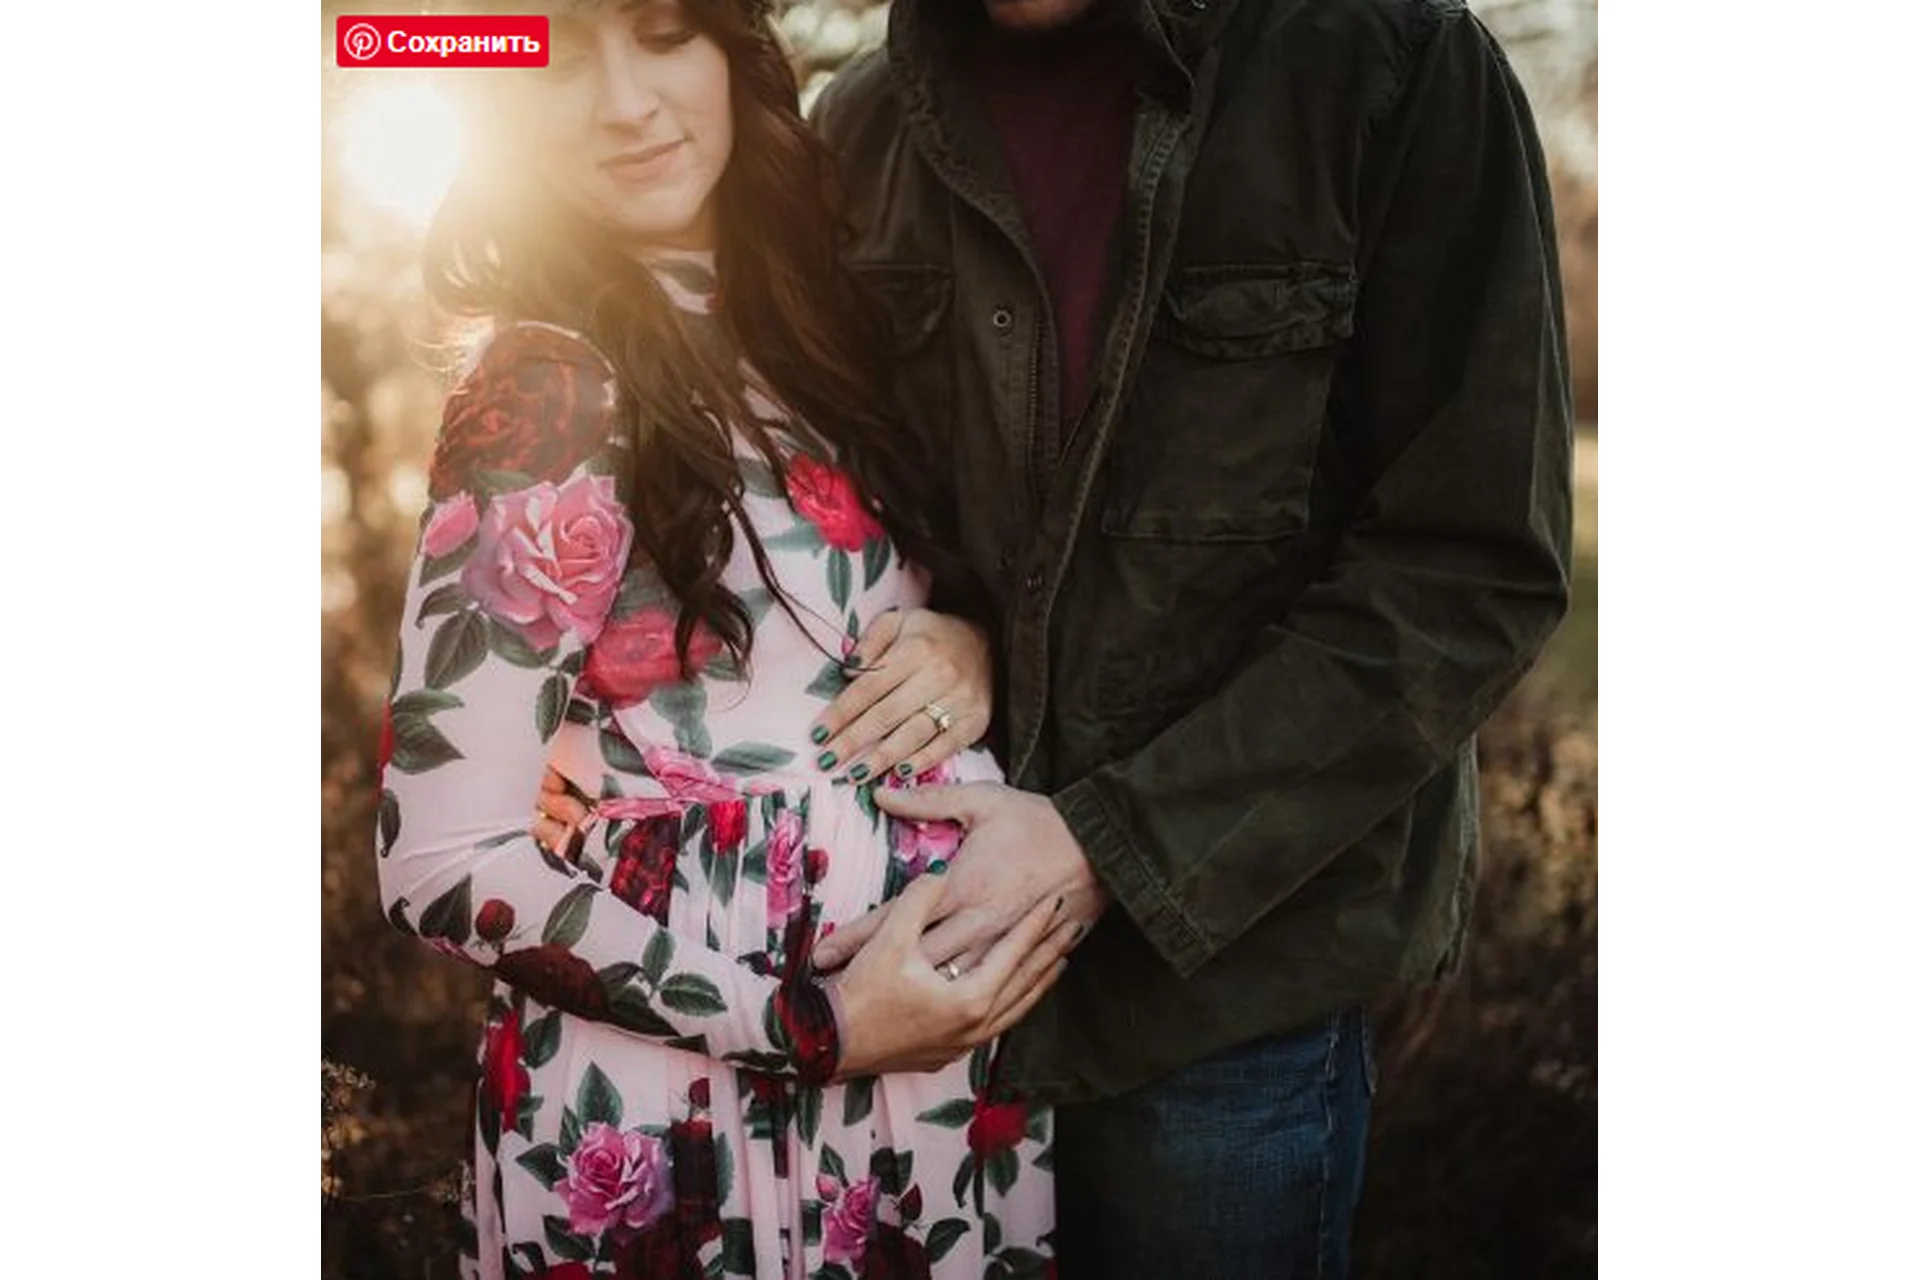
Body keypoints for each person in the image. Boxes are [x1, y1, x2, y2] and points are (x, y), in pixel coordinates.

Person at [552, 0, 1573, 1275]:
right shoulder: (862, 128)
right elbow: (828, 482)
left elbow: (1467, 568)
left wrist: (1108, 845)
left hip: (1220, 1017)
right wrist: (952, 628)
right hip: (910, 1002)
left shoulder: (1390, 66)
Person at [372, 3, 1078, 1277]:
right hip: (689, 1107)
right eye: (559, 57)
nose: (625, 102)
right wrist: (810, 1021)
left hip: (917, 1111)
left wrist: (967, 642)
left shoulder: (813, 324)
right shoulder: (545, 386)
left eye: (660, 33)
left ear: (732, 50)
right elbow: (440, 856)